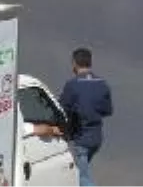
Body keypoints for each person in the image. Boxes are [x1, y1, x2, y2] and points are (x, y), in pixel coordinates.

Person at [34, 48, 112, 187]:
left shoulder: (73, 85)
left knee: (81, 177)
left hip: (80, 140)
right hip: (96, 139)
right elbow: (107, 110)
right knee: (81, 172)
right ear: (90, 63)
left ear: (74, 64)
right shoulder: (102, 84)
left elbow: (61, 111)